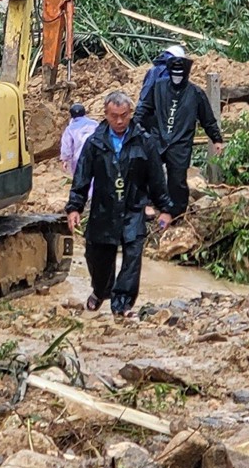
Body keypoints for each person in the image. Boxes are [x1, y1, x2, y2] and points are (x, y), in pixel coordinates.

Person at [65, 91, 172, 316]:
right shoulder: (95, 142)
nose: (120, 121)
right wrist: (75, 206)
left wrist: (165, 208)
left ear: (130, 113)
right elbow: (82, 176)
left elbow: (156, 178)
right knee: (97, 255)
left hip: (133, 208)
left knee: (132, 257)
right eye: (115, 116)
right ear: (106, 114)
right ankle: (101, 290)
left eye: (124, 115)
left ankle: (122, 304)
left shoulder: (144, 141)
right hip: (103, 209)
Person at [134, 52, 224, 220]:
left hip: (180, 142)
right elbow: (144, 106)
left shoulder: (196, 93)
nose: (177, 77)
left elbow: (208, 119)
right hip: (158, 136)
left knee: (177, 180)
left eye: (180, 75)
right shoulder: (158, 86)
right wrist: (135, 124)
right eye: (174, 74)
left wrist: (216, 138)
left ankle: (177, 214)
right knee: (145, 169)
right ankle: (145, 206)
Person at [59, 102, 98, 176]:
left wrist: (65, 160)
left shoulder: (70, 129)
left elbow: (66, 146)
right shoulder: (94, 124)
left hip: (79, 159)